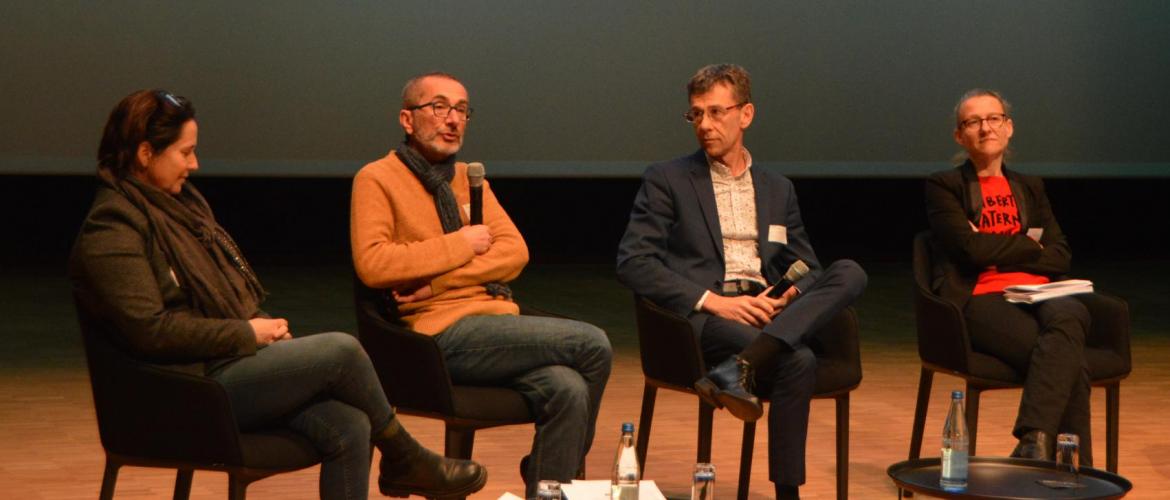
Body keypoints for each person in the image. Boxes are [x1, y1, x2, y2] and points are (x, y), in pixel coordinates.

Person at [69, 89, 487, 500]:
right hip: (177, 392)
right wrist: (246, 335)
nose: (194, 164)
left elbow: (221, 295)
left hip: (215, 370)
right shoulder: (112, 227)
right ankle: (404, 458)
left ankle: (404, 463)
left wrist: (261, 332)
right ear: (145, 153)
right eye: (184, 152)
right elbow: (151, 332)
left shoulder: (179, 210)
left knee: (348, 424)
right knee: (341, 351)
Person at [350, 72, 612, 498]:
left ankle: (548, 482)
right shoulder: (376, 178)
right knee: (593, 344)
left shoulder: (468, 179)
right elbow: (375, 264)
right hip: (436, 335)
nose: (452, 119)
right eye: (438, 107)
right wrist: (462, 243)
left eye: (461, 110)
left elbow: (514, 252)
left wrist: (437, 281)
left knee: (569, 388)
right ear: (407, 119)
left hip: (490, 320)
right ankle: (561, 473)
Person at [616, 64, 866, 500]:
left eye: (716, 112)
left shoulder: (777, 188)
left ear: (745, 115)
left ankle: (742, 366)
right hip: (709, 317)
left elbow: (806, 264)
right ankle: (788, 493)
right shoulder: (668, 179)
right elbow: (634, 262)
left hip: (767, 312)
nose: (705, 125)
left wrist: (788, 297)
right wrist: (713, 301)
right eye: (696, 115)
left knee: (850, 272)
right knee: (799, 359)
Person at [924, 89, 1094, 464]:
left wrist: (991, 242)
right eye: (973, 122)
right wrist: (1027, 246)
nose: (986, 128)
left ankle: (1035, 443)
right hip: (982, 298)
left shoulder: (1030, 188)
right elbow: (969, 252)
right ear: (959, 135)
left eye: (994, 118)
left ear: (1009, 126)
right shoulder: (944, 187)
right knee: (1070, 360)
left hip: (1041, 296)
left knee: (1072, 315)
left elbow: (1060, 255)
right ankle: (1072, 469)